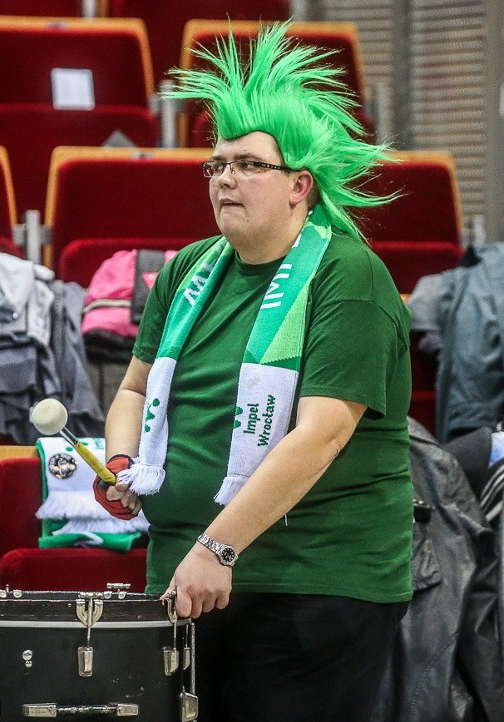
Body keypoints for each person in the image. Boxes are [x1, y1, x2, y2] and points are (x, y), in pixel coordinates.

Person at [93, 24, 413, 722]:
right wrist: (124, 462)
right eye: (215, 166)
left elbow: (321, 435)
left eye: (246, 164)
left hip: (311, 588)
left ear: (301, 185)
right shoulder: (186, 268)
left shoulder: (347, 274)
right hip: (188, 579)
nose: (225, 178)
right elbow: (135, 390)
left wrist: (218, 544)